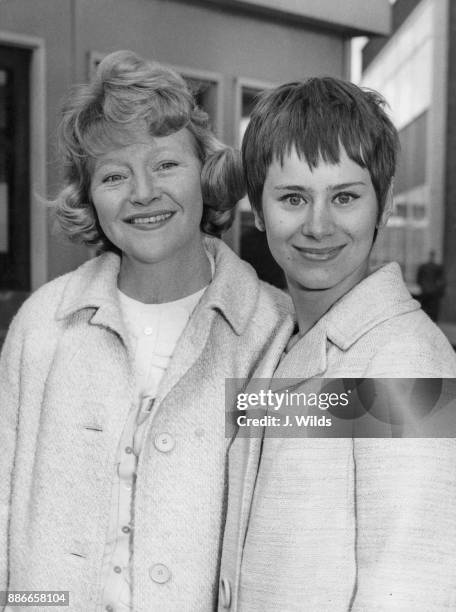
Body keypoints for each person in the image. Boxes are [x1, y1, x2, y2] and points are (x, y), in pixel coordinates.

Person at [0, 51, 293, 611]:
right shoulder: (42, 325)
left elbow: (312, 516)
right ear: (89, 199)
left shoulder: (273, 335)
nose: (142, 193)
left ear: (207, 176)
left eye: (165, 165)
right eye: (114, 175)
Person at [219, 77, 456, 611]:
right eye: (293, 197)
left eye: (345, 197)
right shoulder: (277, 344)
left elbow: (416, 591)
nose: (318, 225)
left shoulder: (408, 363)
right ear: (259, 212)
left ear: (382, 207)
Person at [417, 249, 446, 321]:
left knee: (427, 308)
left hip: (428, 291)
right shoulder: (433, 267)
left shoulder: (426, 267)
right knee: (432, 309)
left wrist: (423, 286)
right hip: (432, 291)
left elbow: (419, 279)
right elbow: (441, 280)